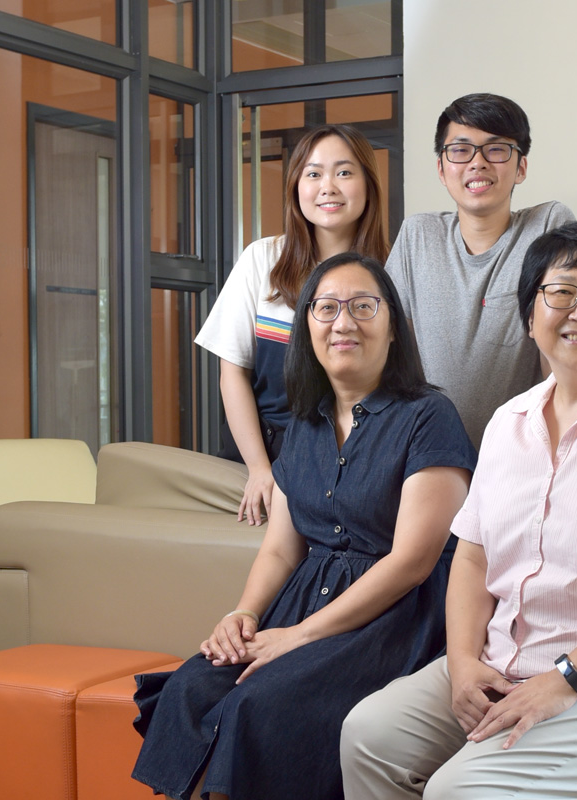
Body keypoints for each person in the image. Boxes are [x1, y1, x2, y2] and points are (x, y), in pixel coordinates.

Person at [341, 222, 577, 800]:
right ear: (529, 316)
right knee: (367, 734)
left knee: (459, 791)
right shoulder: (509, 422)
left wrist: (567, 680)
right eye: (562, 292)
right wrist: (465, 662)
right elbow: (471, 559)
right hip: (506, 661)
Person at [132, 254, 477, 800]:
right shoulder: (304, 423)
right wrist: (243, 614)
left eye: (364, 306)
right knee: (192, 687)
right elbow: (280, 550)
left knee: (260, 704)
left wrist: (297, 637)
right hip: (302, 603)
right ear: (306, 329)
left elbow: (413, 561)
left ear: (394, 329)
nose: (344, 322)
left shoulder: (428, 415)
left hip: (392, 619)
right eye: (327, 308)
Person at [194, 124, 390, 525]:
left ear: (368, 185)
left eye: (345, 172)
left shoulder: (394, 270)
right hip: (270, 450)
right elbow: (232, 373)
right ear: (296, 186)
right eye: (313, 173)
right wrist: (259, 469)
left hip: (362, 455)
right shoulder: (262, 260)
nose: (328, 187)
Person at [384, 93, 575, 446]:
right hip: (428, 452)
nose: (478, 163)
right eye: (460, 150)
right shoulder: (417, 235)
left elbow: (558, 349)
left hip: (522, 451)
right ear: (441, 168)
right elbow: (391, 350)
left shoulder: (547, 226)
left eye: (496, 149)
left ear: (521, 167)